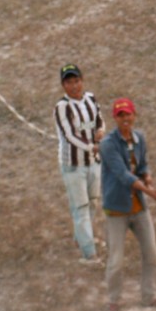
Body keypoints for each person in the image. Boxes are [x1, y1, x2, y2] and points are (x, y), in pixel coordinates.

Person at [98, 97, 156, 311]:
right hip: (117, 209)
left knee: (151, 253)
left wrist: (148, 177)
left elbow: (143, 164)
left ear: (134, 115)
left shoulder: (140, 138)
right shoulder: (107, 144)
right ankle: (114, 301)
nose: (125, 119)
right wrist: (149, 191)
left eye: (128, 114)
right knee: (116, 260)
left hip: (138, 207)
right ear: (115, 118)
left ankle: (149, 295)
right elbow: (123, 175)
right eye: (120, 115)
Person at [53, 64, 103, 262]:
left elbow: (100, 120)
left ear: (82, 80)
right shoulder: (62, 107)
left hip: (93, 162)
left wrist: (100, 132)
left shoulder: (90, 99)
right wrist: (92, 146)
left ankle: (82, 237)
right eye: (69, 83)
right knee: (80, 207)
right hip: (73, 165)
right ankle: (89, 253)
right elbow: (70, 135)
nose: (74, 86)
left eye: (76, 81)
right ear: (63, 85)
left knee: (92, 202)